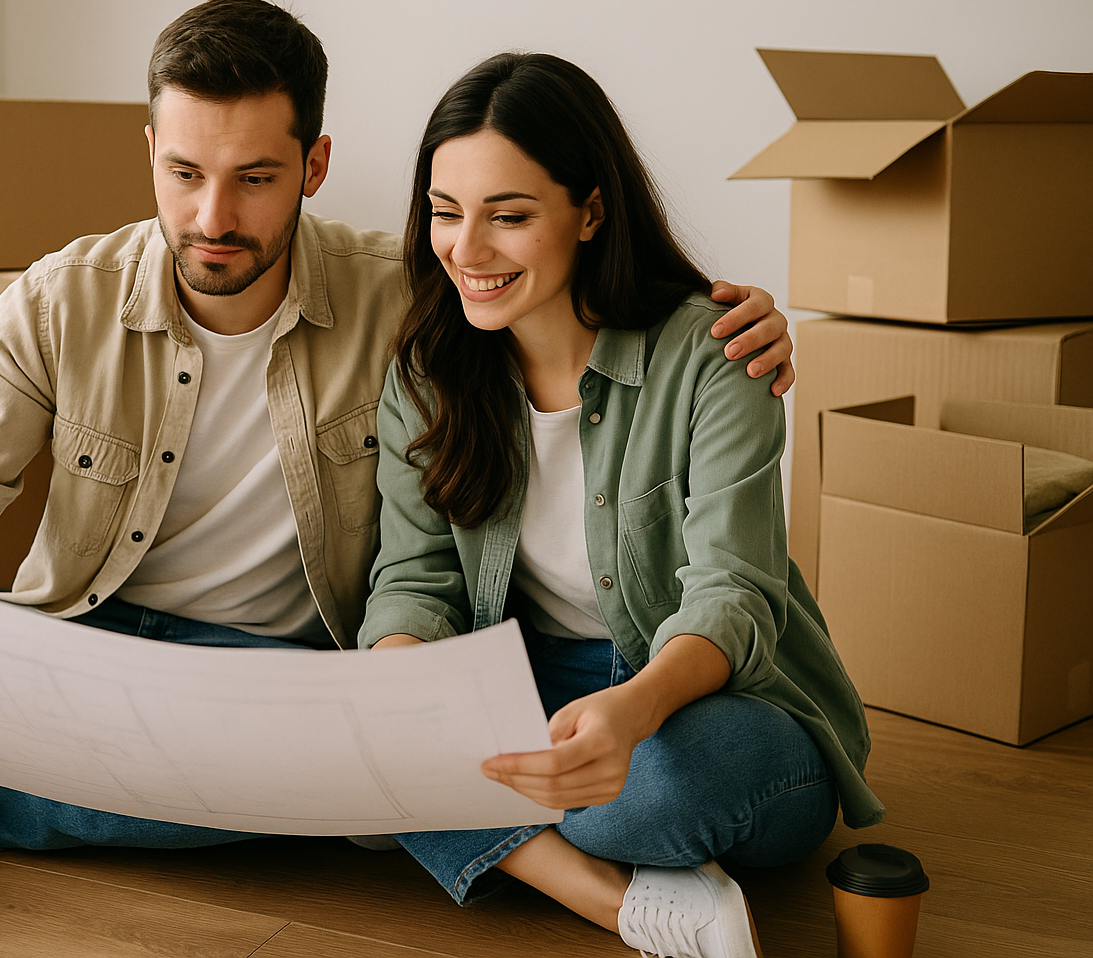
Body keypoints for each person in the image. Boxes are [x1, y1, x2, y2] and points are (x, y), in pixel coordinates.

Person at [0, 4, 793, 958]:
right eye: (185, 171)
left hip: (283, 673)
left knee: (327, 774)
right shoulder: (60, 298)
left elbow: (576, 313)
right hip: (81, 646)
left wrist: (739, 320)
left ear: (313, 164)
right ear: (148, 148)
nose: (215, 214)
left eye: (256, 177)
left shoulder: (409, 297)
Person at [360, 52, 882, 958]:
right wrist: (402, 681)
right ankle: (622, 904)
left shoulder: (715, 355)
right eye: (447, 213)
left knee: (650, 793)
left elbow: (734, 594)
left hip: (708, 699)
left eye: (510, 217)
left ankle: (535, 835)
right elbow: (414, 578)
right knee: (361, 746)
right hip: (534, 684)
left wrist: (631, 713)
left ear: (590, 211)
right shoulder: (427, 373)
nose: (468, 252)